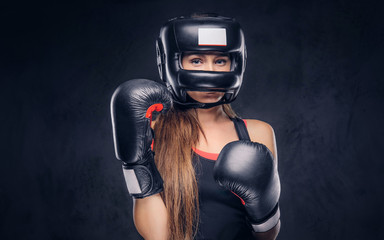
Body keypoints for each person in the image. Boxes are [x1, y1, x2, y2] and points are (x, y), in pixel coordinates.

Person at [111, 14, 281, 240]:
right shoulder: (154, 129)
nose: (210, 72)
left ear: (236, 63)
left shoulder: (258, 133)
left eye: (220, 61)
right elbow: (158, 236)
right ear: (173, 63)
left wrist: (264, 208)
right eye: (196, 61)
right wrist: (136, 163)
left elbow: (267, 237)